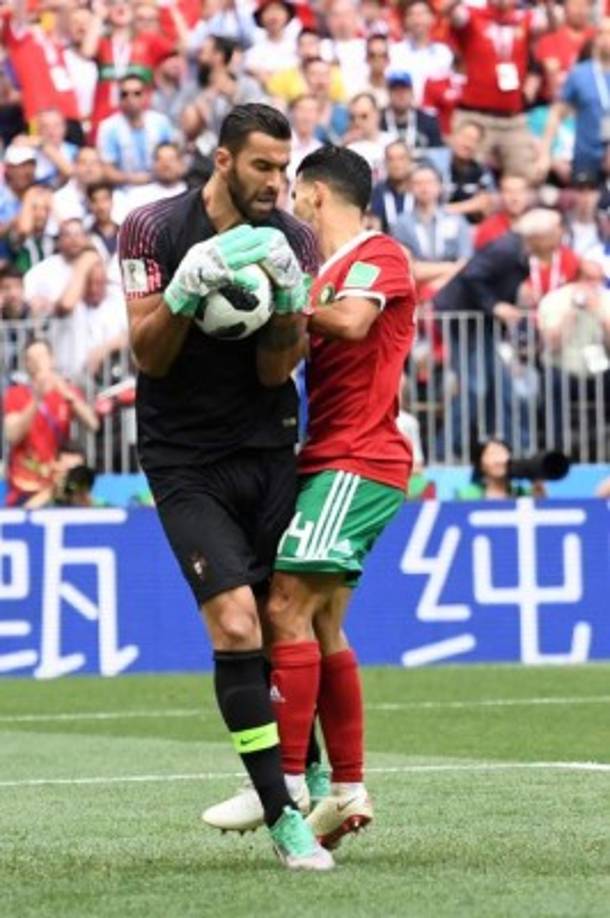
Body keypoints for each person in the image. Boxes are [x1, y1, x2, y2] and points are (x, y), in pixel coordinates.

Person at [118, 103, 331, 871]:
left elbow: (279, 368)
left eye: (285, 167)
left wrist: (283, 305)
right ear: (222, 161)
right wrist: (182, 292)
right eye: (263, 168)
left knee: (282, 621)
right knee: (236, 627)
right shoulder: (150, 229)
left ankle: (302, 777)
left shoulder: (296, 240)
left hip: (267, 446)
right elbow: (149, 356)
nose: (278, 183)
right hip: (184, 460)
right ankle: (284, 818)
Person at [204, 146, 417, 850]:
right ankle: (348, 786)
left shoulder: (376, 253)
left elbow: (354, 322)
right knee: (322, 626)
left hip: (358, 459)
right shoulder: (324, 270)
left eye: (297, 193)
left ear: (316, 193)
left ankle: (286, 780)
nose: (292, 204)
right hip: (330, 458)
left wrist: (288, 297)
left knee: (284, 606)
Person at [2, 338, 99, 507]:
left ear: (52, 359)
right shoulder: (15, 394)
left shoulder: (65, 391)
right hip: (25, 484)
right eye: (32, 358)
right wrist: (37, 399)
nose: (38, 362)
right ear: (26, 364)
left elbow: (93, 424)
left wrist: (69, 396)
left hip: (59, 483)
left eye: (42, 356)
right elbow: (12, 435)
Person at [456, 437, 545, 499]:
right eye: (492, 455)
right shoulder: (467, 495)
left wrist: (536, 480)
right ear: (481, 465)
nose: (499, 460)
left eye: (502, 454)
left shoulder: (522, 494)